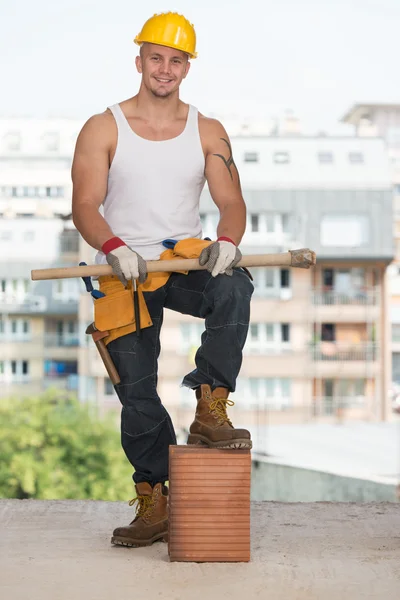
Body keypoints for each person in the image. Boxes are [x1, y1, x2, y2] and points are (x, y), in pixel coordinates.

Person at [71, 12, 254, 548]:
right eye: (156, 57)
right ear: (140, 61)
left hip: (182, 262)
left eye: (176, 60)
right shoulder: (103, 127)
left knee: (234, 286)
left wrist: (227, 241)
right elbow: (85, 205)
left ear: (187, 68)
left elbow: (231, 201)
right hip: (124, 270)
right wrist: (112, 247)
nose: (165, 68)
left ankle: (211, 401)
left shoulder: (207, 130)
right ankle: (155, 498)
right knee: (137, 395)